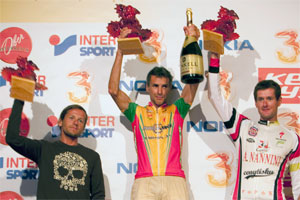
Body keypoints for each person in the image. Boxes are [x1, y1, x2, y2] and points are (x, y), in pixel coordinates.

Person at [108, 25, 200, 200]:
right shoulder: (137, 112)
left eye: (164, 86)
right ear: (148, 88)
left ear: (169, 88)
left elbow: (193, 78)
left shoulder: (177, 110)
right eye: (155, 86)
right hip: (145, 180)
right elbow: (113, 91)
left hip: (174, 179)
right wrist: (120, 51)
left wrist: (192, 40)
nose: (159, 91)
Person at [207, 52, 300, 200]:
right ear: (255, 103)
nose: (265, 104)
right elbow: (215, 98)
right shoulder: (241, 126)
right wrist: (214, 59)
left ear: (279, 101)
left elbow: (297, 186)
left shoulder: (293, 138)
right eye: (260, 99)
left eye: (269, 99)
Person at [6, 99, 105, 199]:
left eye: (80, 120)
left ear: (83, 128)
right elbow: (12, 139)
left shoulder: (92, 157)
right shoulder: (44, 149)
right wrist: (20, 98)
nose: (76, 122)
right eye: (71, 118)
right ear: (60, 122)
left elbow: (98, 195)